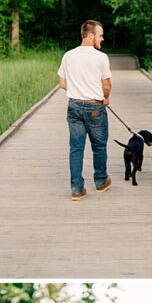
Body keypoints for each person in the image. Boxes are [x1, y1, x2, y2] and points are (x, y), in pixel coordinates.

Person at [58, 20, 113, 201]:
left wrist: (78, 89)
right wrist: (105, 97)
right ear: (90, 36)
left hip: (73, 106)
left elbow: (62, 83)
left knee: (76, 148)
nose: (102, 39)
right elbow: (106, 86)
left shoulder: (68, 55)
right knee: (98, 146)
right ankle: (100, 181)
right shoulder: (101, 57)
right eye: (100, 35)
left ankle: (76, 189)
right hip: (95, 107)